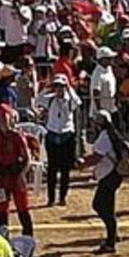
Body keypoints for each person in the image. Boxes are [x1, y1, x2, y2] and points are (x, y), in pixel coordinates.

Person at [79, 109, 129, 255]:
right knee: (108, 206)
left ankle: (110, 242)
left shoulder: (105, 137)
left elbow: (96, 157)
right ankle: (112, 235)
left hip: (110, 175)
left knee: (100, 205)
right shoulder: (111, 135)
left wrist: (83, 164)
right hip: (113, 175)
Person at [35, 74, 80, 207]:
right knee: (52, 170)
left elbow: (77, 102)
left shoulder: (69, 100)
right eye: (57, 86)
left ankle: (62, 197)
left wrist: (69, 88)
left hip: (67, 135)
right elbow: (37, 100)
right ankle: (51, 198)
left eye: (61, 86)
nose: (59, 89)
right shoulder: (50, 100)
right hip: (52, 135)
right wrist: (47, 87)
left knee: (65, 170)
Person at [0, 104, 33, 236]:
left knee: (22, 207)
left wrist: (22, 175)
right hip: (2, 175)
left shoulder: (17, 136)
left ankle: (28, 236)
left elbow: (27, 158)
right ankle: (3, 236)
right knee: (1, 208)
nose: (2, 120)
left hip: (16, 174)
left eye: (4, 116)